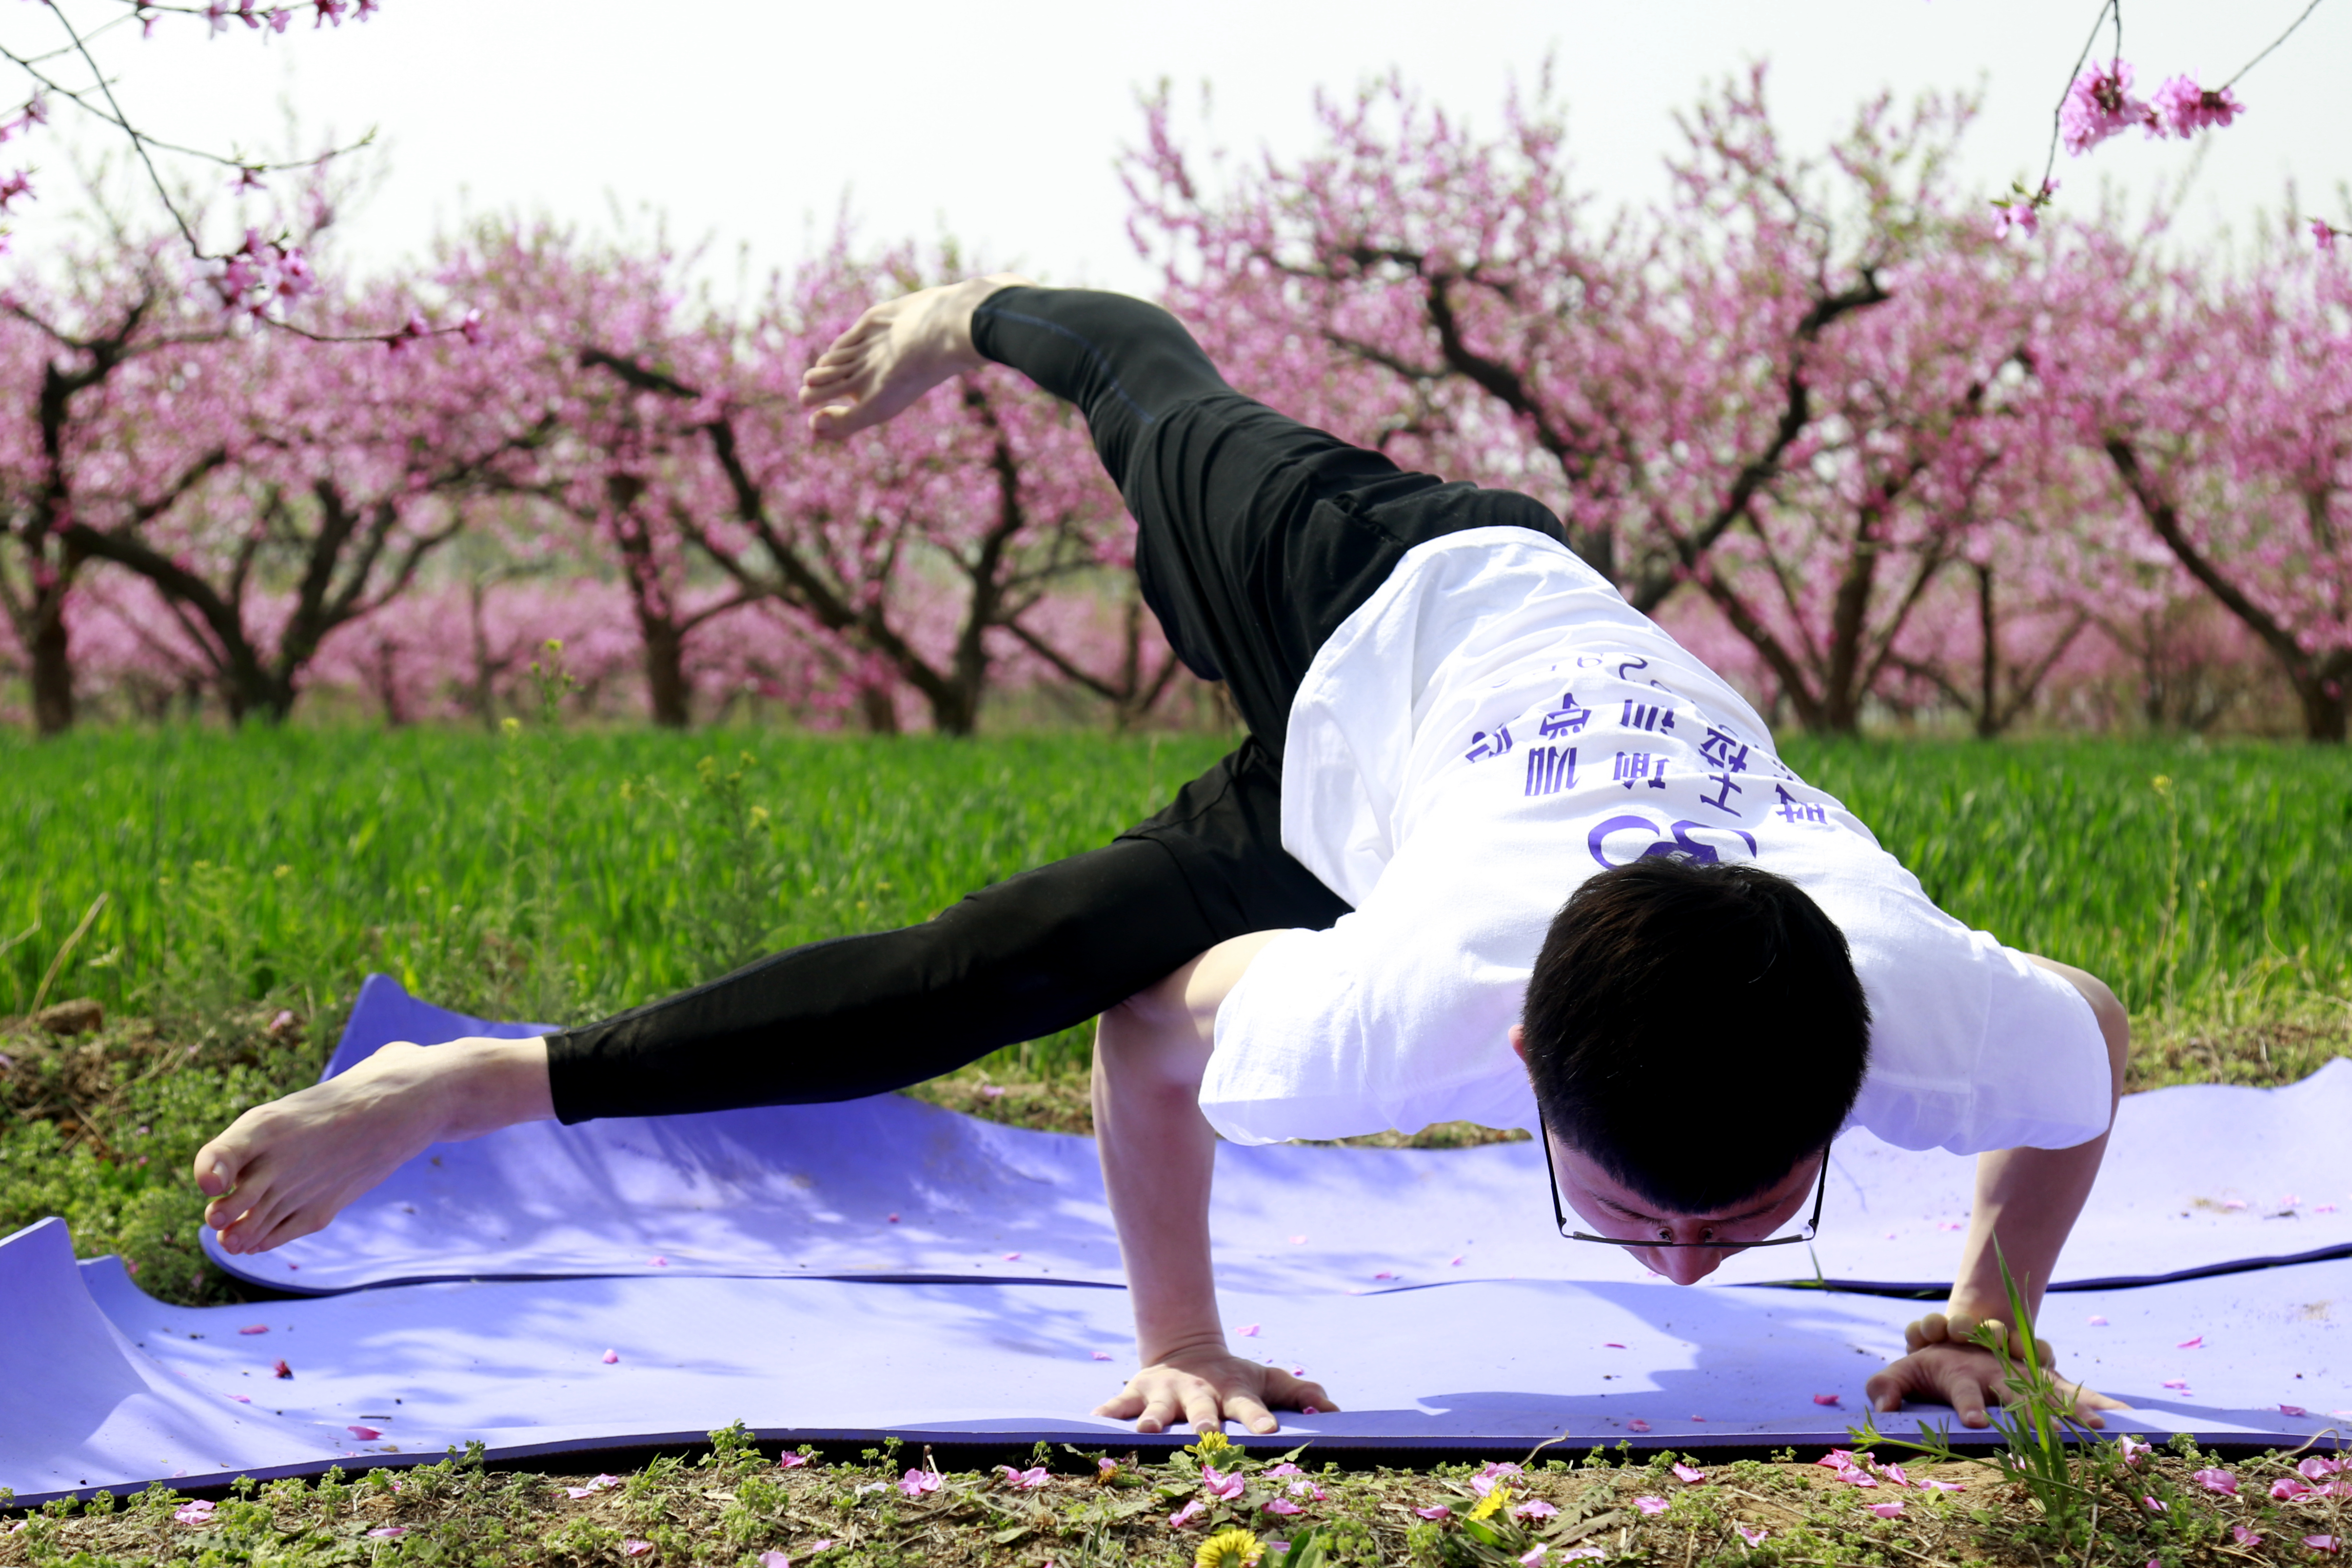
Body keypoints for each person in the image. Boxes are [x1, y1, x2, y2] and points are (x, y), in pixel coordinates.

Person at [192, 277, 2131, 1439]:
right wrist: (1180, 1341)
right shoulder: (1404, 1003)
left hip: (1377, 808)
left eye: (1740, 1219)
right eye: (1654, 1220)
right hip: (1378, 585)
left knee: (983, 957)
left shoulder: (1919, 1004)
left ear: (1849, 1082)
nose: (1701, 1262)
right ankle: (980, 308)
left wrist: (1987, 1322)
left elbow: (2093, 1038)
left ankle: (475, 1081)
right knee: (1157, 405)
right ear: (1521, 1069)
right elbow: (1150, 1034)